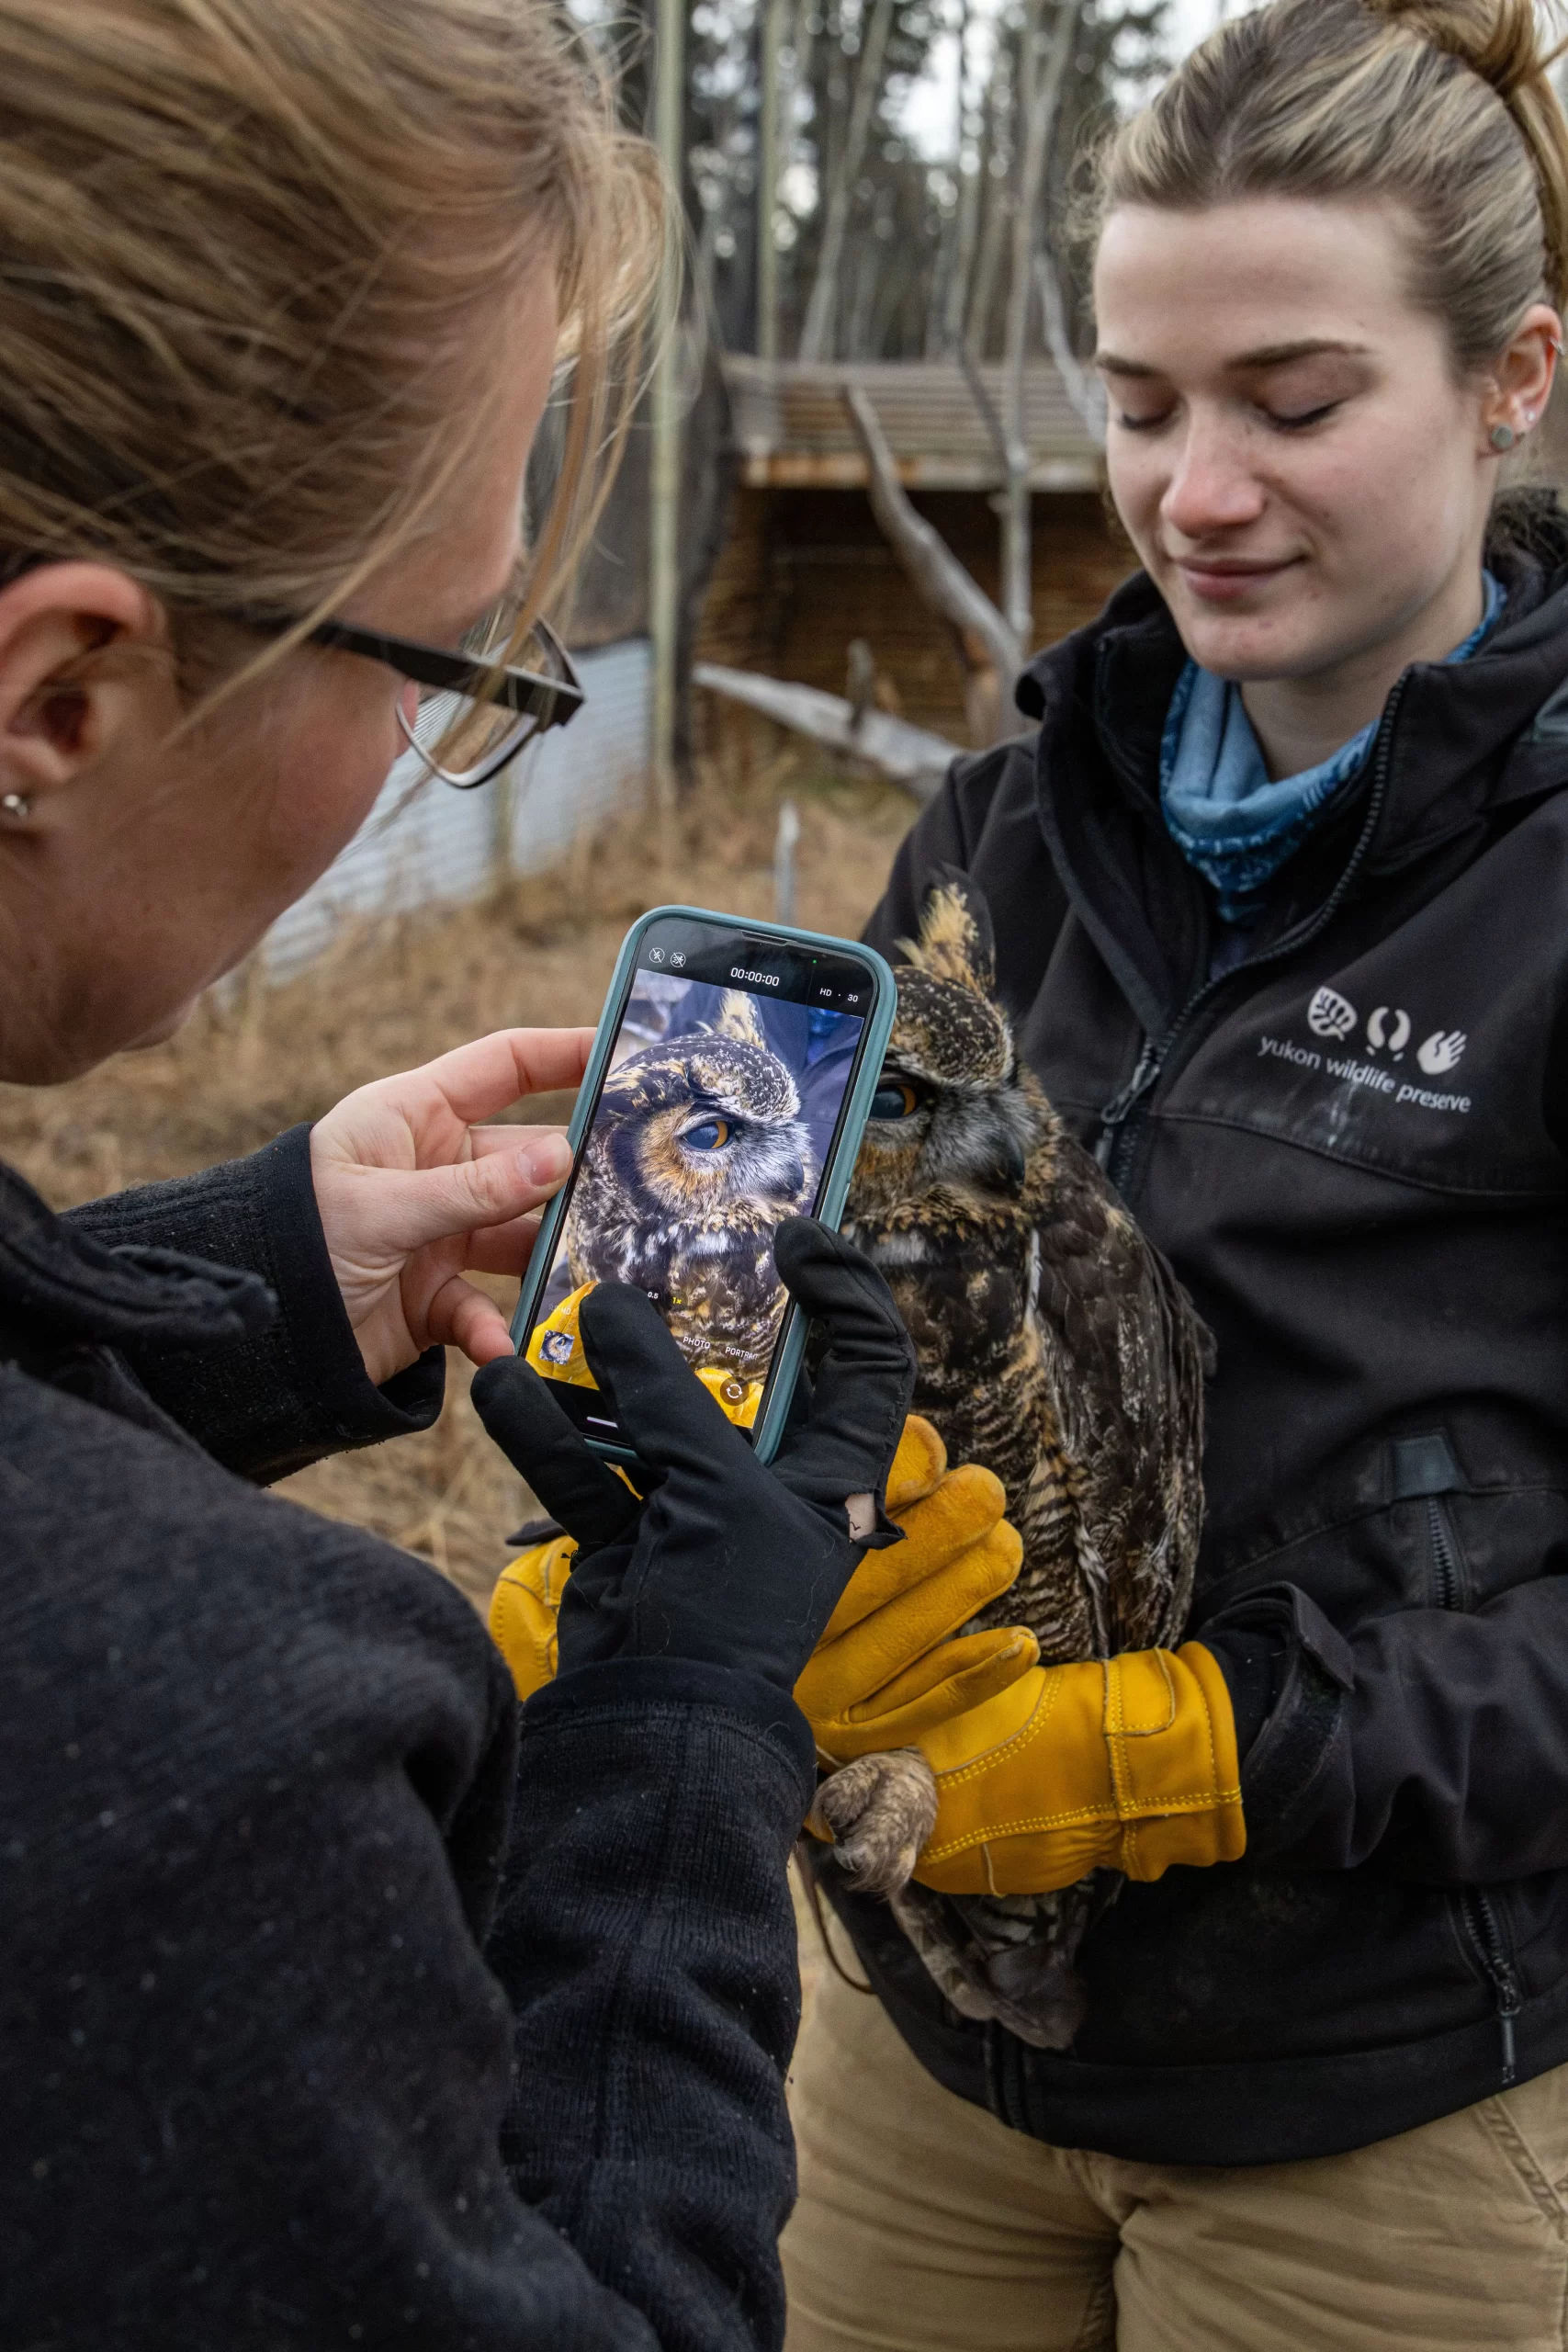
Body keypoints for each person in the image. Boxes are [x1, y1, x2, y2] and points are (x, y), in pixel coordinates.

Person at [0, 4, 1033, 2345]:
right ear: (62, 696)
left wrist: (236, 1288)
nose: (418, 750)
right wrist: (676, 1712)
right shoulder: (205, 1759)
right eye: (436, 660)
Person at [774, 2, 1568, 2346]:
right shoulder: (1003, 823)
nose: (1195, 490)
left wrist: (1216, 1746)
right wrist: (678, 1529)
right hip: (919, 2027)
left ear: (1513, 377)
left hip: (1389, 2102)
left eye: (1292, 403)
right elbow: (804, 1288)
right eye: (1138, 405)